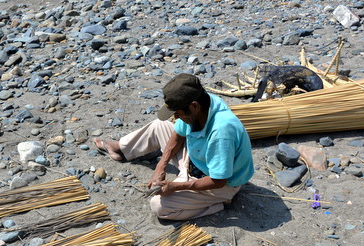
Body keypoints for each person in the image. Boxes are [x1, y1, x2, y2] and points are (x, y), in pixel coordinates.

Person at [94, 73, 254, 221]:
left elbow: (218, 180)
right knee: (159, 125)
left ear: (194, 106)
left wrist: (176, 186)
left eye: (177, 113)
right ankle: (120, 147)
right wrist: (160, 166)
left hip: (219, 183)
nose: (175, 117)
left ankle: (218, 203)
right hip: (197, 158)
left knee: (159, 206)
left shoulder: (221, 131)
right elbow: (178, 135)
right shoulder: (204, 102)